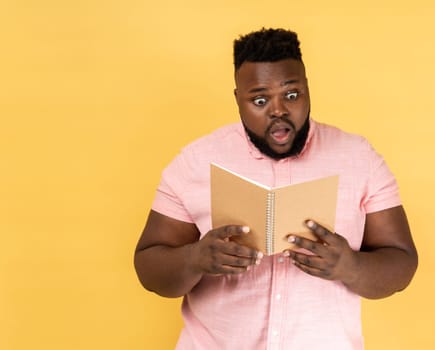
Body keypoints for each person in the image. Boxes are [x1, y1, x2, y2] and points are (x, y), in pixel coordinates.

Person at [134, 28, 418, 350]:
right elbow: (148, 266)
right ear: (238, 101)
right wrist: (195, 258)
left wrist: (350, 267)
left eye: (292, 94)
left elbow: (402, 263)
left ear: (308, 88)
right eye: (259, 100)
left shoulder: (358, 158)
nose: (279, 110)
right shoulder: (195, 163)